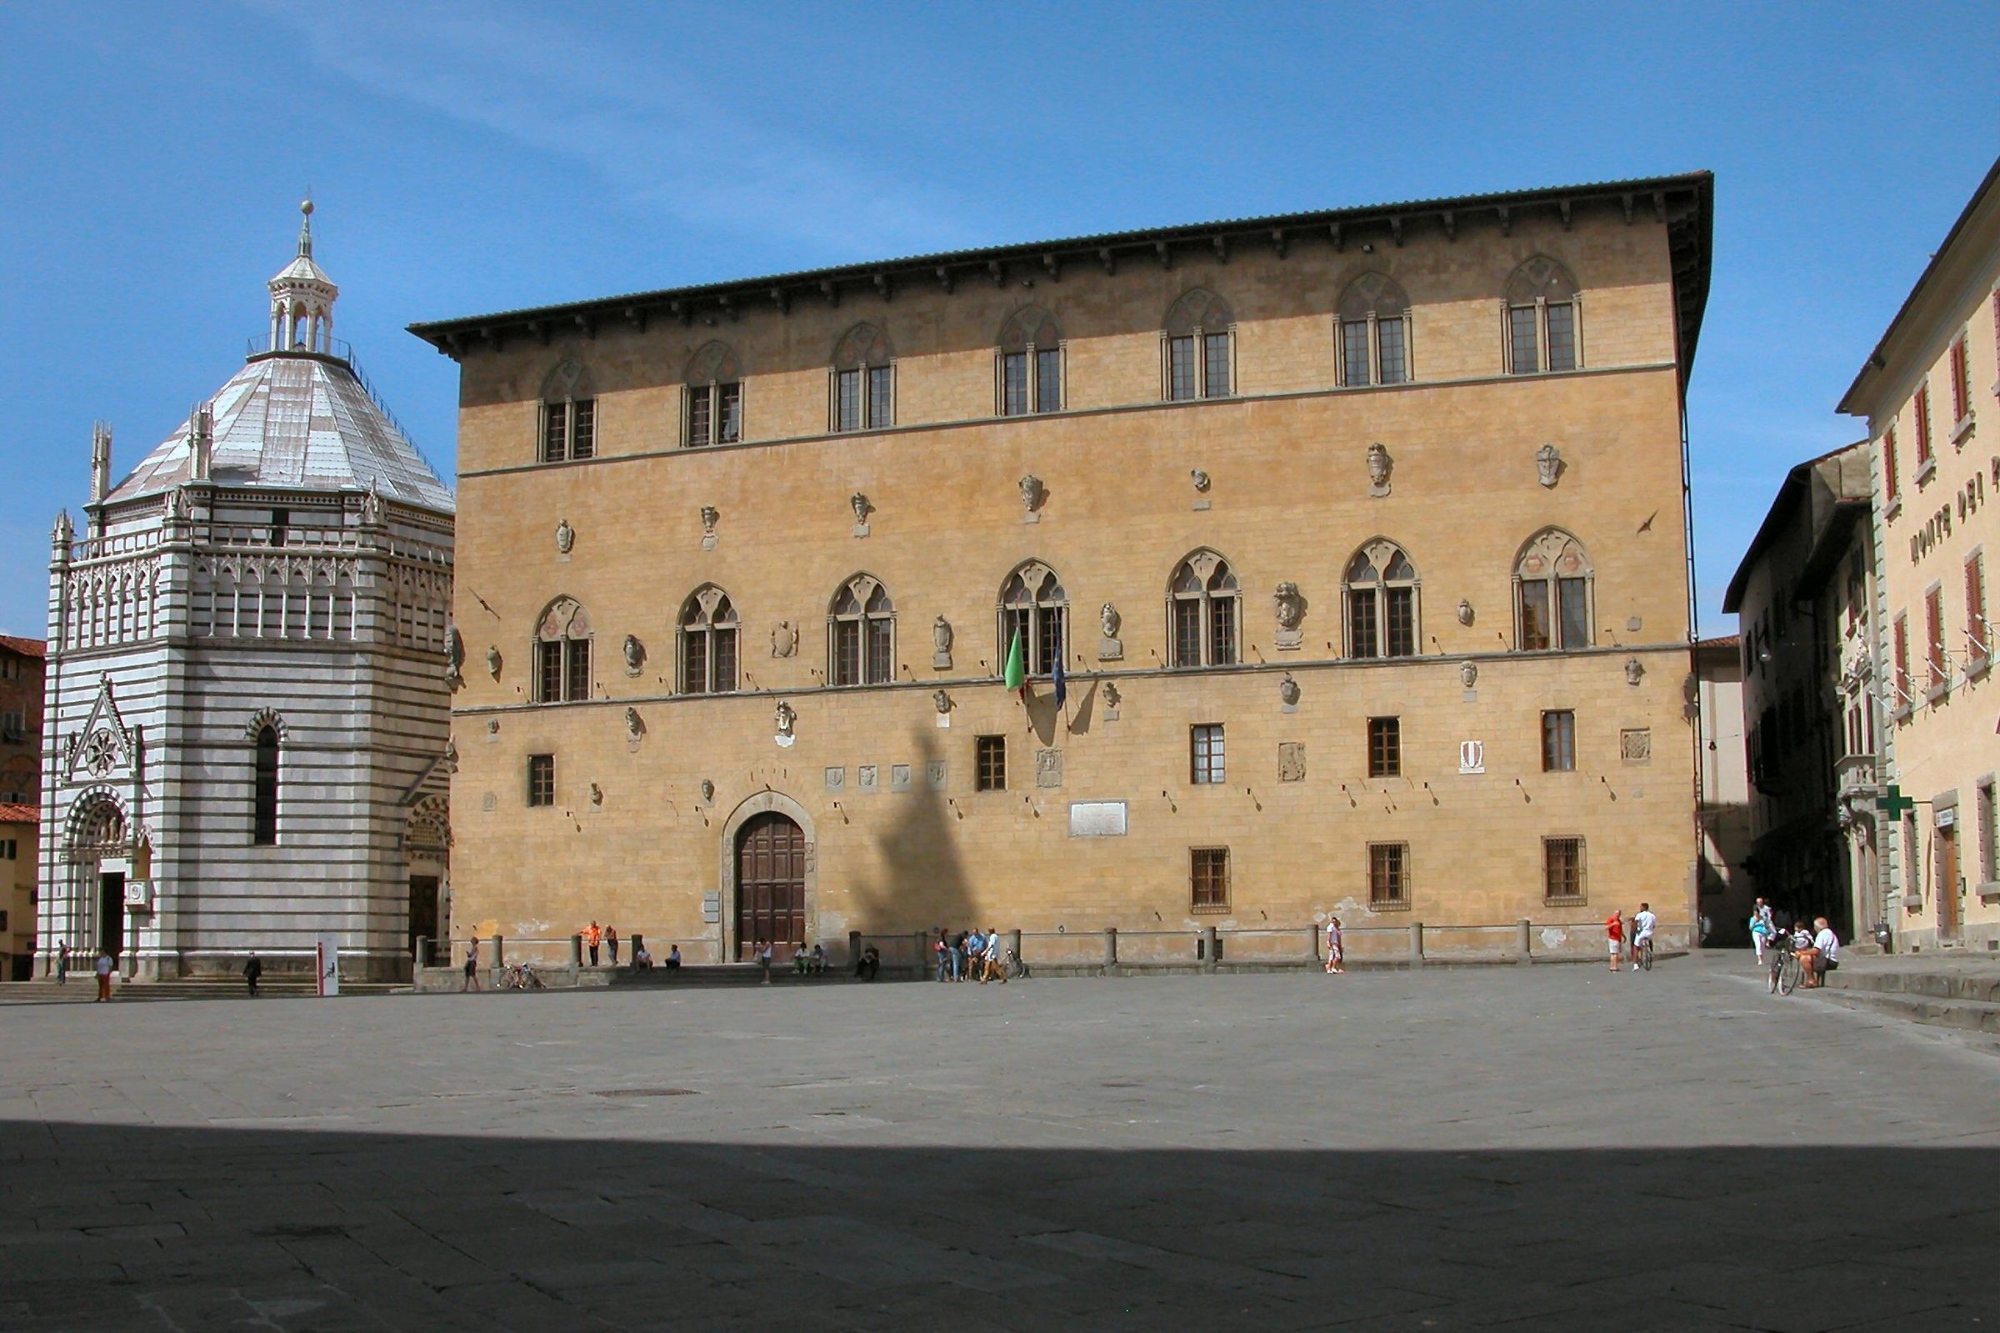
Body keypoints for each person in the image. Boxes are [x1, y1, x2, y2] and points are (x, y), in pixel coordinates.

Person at [1803, 917, 1842, 987]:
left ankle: (1811, 980)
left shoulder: (1822, 934)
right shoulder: (1829, 932)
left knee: (1804, 958)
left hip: (1828, 962)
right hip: (1832, 961)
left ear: (1817, 927)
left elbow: (1816, 951)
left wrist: (1801, 953)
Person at [1630, 902, 1657, 970]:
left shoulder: (1639, 915)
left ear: (1643, 907)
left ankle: (1635, 964)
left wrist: (1635, 930)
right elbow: (1653, 925)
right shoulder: (1652, 915)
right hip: (1649, 932)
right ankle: (1651, 951)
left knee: (1636, 947)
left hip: (1641, 932)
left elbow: (1635, 923)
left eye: (1641, 907)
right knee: (1650, 939)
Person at [1749, 898, 1773, 964]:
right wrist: (1755, 922)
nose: (1755, 914)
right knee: (1758, 944)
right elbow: (1750, 928)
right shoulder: (1753, 919)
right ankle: (1759, 959)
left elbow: (1767, 924)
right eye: (1754, 913)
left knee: (1762, 946)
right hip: (1756, 932)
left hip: (1763, 932)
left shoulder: (1763, 918)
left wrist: (1767, 927)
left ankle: (1761, 957)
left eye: (1756, 912)